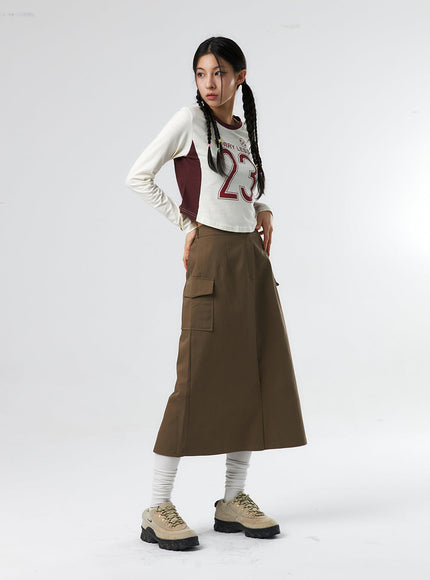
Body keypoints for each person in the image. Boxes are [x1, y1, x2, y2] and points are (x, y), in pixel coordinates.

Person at [125, 36, 307, 551]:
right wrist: (186, 223)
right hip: (211, 257)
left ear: (240, 77)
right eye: (202, 73)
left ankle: (232, 499)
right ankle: (157, 506)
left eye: (220, 73)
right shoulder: (188, 121)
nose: (210, 82)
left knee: (251, 375)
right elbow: (138, 176)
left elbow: (240, 190)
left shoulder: (242, 131)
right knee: (194, 381)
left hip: (250, 260)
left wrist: (263, 208)